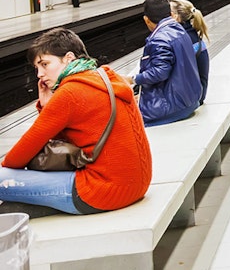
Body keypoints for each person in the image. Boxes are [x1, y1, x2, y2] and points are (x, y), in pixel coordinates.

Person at [0, 28, 151, 217]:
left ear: (69, 58)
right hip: (137, 183)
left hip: (105, 191)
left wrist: (48, 107)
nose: (39, 74)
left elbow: (17, 158)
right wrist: (48, 106)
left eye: (45, 64)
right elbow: (64, 140)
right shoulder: (104, 76)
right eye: (37, 68)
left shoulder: (70, 92)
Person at [132, 0, 203, 126]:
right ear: (170, 14)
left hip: (170, 109)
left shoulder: (159, 39)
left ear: (146, 20)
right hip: (189, 100)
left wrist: (133, 79)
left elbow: (160, 72)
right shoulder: (181, 30)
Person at [170, 0, 210, 105]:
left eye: (169, 13)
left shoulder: (183, 40)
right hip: (199, 93)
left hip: (194, 98)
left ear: (175, 17)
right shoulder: (192, 36)